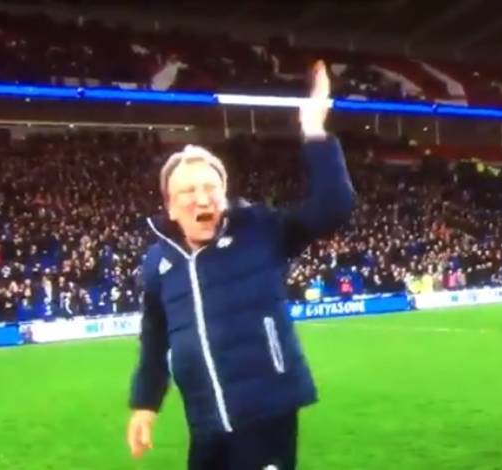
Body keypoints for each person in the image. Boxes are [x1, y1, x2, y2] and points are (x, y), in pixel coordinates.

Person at [126, 60, 355, 470]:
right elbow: (155, 340)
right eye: (189, 191)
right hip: (205, 422)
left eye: (211, 187)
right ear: (170, 206)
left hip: (267, 414)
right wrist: (145, 404)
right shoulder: (159, 262)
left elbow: (333, 207)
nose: (202, 198)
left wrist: (314, 131)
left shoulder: (259, 229)